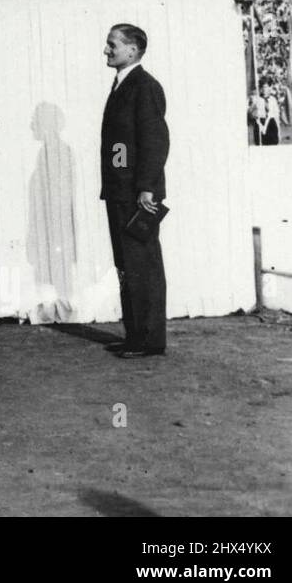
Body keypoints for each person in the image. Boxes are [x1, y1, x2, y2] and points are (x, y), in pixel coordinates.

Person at [100, 24, 169, 359]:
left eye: (112, 44)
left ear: (132, 49)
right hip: (120, 192)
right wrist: (119, 180)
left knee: (142, 267)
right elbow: (121, 145)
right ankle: (135, 336)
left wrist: (144, 188)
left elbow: (155, 142)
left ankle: (149, 341)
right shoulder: (123, 86)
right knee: (127, 266)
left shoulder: (144, 87)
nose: (106, 50)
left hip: (137, 196)